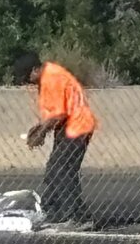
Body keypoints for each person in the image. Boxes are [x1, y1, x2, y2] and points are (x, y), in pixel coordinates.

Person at [13, 52, 97, 227]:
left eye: (27, 76)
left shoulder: (53, 78)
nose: (27, 81)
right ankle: (55, 212)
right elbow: (53, 112)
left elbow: (59, 113)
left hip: (77, 126)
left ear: (36, 69)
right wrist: (39, 128)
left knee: (61, 169)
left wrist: (42, 131)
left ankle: (75, 216)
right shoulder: (47, 78)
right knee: (56, 169)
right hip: (68, 127)